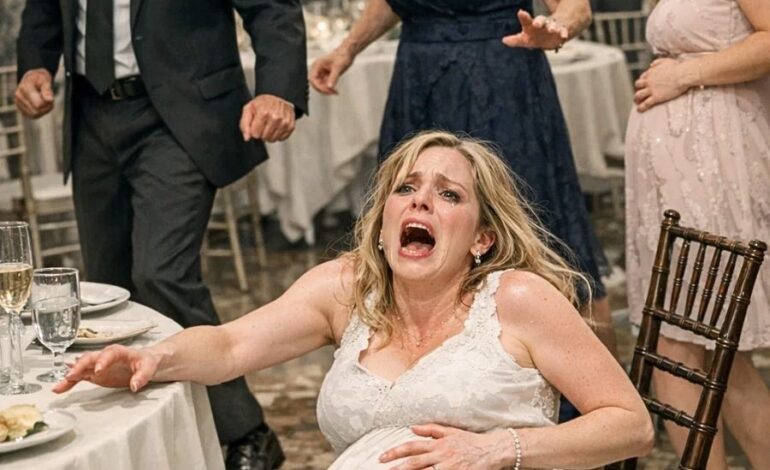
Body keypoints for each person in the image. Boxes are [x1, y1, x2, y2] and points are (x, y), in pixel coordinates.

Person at [55, 131, 654, 469]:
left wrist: (498, 448)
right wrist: (153, 358)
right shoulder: (346, 289)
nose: (421, 201)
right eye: (406, 188)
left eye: (449, 195)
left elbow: (630, 426)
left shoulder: (518, 300)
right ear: (386, 219)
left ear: (482, 239)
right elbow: (231, 345)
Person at [14, 1, 308, 468]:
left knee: (161, 273)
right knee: (109, 291)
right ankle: (139, 447)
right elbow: (45, 9)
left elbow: (272, 8)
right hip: (91, 114)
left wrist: (278, 89)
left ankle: (246, 431)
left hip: (179, 115)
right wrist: (35, 64)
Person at [308, 1, 619, 376]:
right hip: (419, 82)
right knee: (413, 227)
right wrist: (347, 49)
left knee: (536, 233)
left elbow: (576, 7)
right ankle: (425, 381)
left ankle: (597, 390)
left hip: (501, 82)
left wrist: (556, 27)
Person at [625, 0, 770, 468]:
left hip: (712, 166)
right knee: (697, 343)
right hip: (676, 175)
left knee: (694, 339)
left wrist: (684, 75)